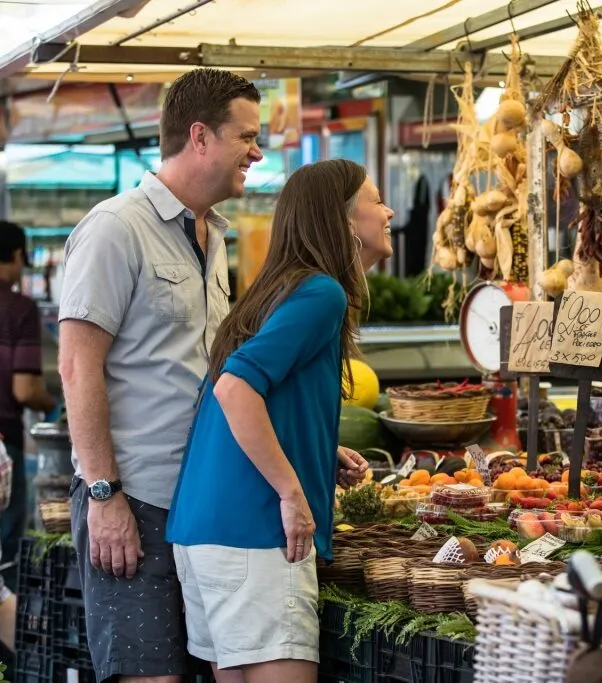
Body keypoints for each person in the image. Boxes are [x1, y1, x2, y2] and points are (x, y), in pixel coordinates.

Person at [57, 68, 264, 683]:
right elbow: (76, 365)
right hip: (135, 500)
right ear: (200, 137)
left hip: (203, 501)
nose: (257, 151)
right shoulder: (115, 229)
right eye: (246, 136)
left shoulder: (216, 237)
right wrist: (103, 495)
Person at [165, 158, 387, 683]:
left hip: (207, 528)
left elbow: (244, 397)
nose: (389, 211)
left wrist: (311, 449)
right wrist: (291, 492)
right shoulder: (321, 293)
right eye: (376, 200)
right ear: (344, 220)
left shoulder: (280, 289)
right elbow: (235, 388)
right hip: (255, 531)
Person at [0, 221, 55, 664]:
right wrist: (53, 401)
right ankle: (17, 661)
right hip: (5, 444)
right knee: (6, 559)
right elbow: (24, 390)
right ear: (17, 254)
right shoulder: (17, 308)